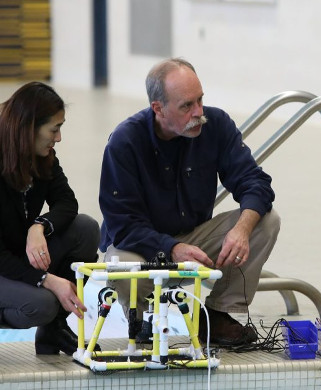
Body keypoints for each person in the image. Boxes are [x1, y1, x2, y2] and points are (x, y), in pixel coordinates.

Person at [99, 58, 280, 346]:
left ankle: (218, 315)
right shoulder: (125, 142)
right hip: (142, 248)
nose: (198, 113)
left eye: (200, 101)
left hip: (195, 239)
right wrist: (172, 247)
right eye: (186, 106)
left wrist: (242, 229)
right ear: (158, 108)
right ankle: (142, 317)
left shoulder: (216, 124)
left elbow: (254, 181)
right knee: (121, 265)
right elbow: (123, 225)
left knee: (265, 220)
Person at [0, 81, 100, 359]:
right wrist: (47, 279)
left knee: (85, 228)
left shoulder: (42, 157)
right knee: (42, 304)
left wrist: (39, 226)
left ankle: (52, 331)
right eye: (54, 129)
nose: (58, 138)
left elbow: (66, 202)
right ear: (29, 128)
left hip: (9, 259)